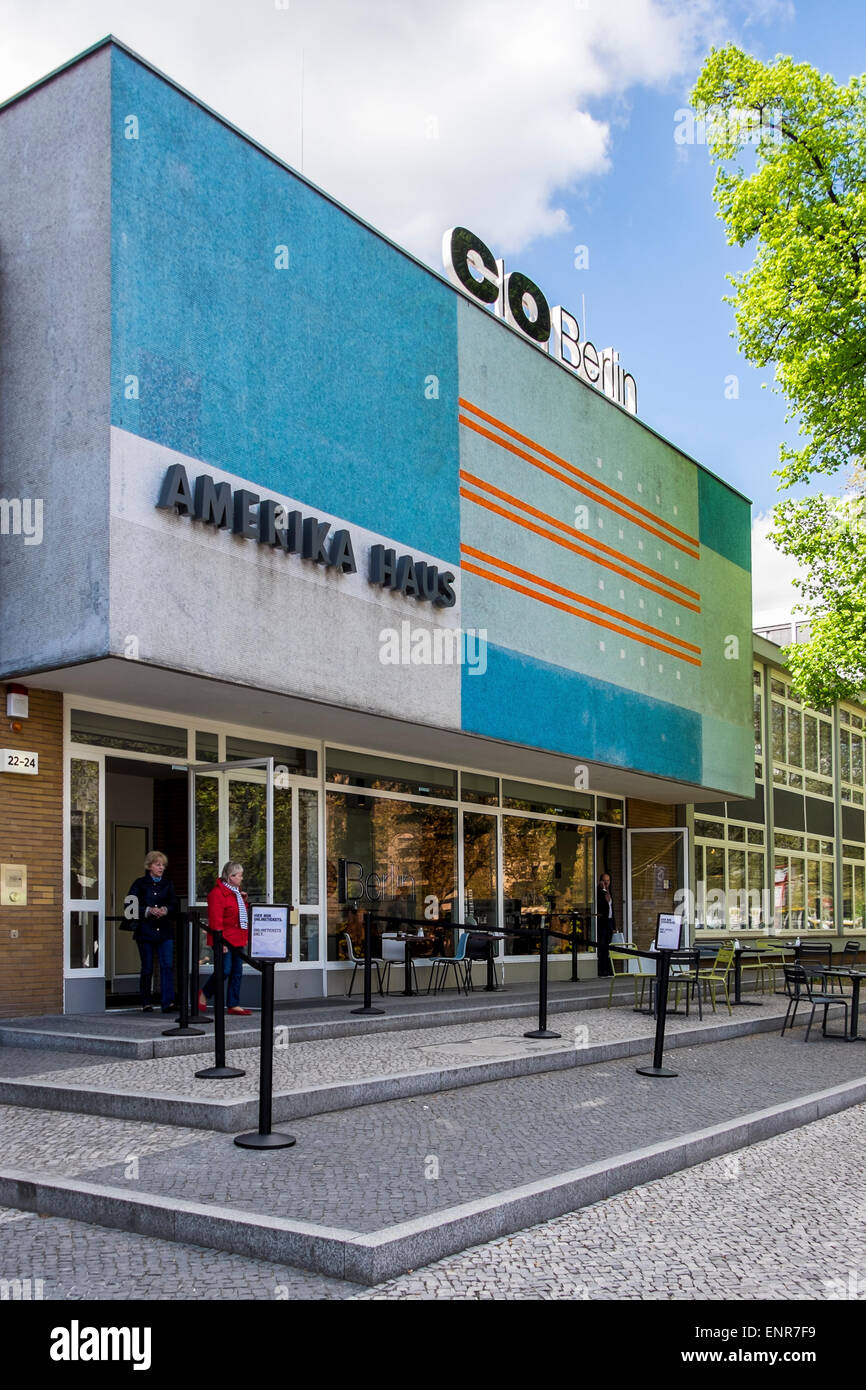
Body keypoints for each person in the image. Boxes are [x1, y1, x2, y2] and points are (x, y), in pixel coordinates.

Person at [127, 851, 179, 1012]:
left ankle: (167, 1002)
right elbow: (129, 906)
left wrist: (165, 909)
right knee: (147, 967)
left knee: (167, 965)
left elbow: (174, 905)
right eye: (158, 864)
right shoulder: (139, 883)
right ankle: (146, 1001)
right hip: (145, 931)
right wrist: (148, 910)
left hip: (164, 930)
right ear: (149, 866)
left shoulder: (168, 884)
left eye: (163, 865)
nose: (161, 868)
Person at [200, 861, 251, 1016]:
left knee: (237, 971)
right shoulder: (217, 894)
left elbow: (239, 916)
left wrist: (244, 900)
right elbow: (216, 920)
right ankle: (204, 993)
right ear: (231, 877)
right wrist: (220, 941)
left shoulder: (237, 893)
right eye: (239, 875)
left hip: (237, 938)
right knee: (225, 970)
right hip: (225, 939)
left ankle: (233, 1004)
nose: (242, 878)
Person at [596, 872, 617, 978]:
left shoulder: (609, 892)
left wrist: (614, 926)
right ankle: (601, 970)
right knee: (602, 947)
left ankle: (608, 969)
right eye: (604, 880)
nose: (606, 882)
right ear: (601, 881)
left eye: (608, 880)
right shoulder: (600, 892)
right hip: (602, 923)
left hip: (609, 922)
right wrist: (603, 889)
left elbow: (611, 909)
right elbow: (602, 906)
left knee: (608, 947)